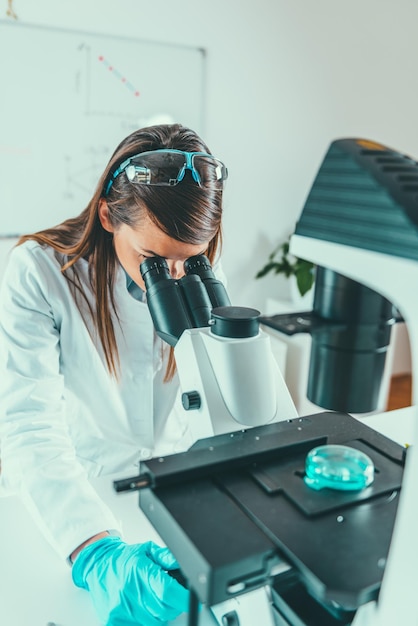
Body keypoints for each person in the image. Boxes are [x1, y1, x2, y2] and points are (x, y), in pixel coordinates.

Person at [0, 123, 228, 625]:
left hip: (174, 492)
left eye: (189, 261)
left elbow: (218, 402)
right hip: (79, 491)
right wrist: (93, 549)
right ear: (108, 214)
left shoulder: (194, 274)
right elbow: (28, 425)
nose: (171, 277)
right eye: (151, 258)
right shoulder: (40, 272)